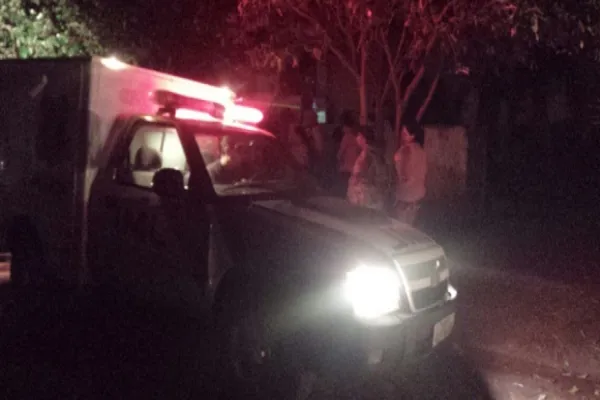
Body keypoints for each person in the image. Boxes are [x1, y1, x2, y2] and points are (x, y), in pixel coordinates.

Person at [393, 125, 427, 225]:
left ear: (412, 135)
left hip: (405, 196)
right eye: (402, 133)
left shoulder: (405, 150)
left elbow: (405, 176)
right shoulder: (421, 150)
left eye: (405, 133)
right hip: (417, 197)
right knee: (411, 228)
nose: (402, 136)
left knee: (400, 227)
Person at [347, 129, 387, 211]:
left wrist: (360, 181)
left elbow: (378, 175)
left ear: (364, 139)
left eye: (359, 136)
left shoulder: (372, 154)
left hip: (368, 194)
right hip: (362, 192)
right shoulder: (364, 152)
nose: (357, 139)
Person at [336, 120, 361, 197]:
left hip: (346, 167)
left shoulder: (347, 137)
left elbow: (341, 151)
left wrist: (338, 159)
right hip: (355, 167)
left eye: (344, 127)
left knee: (345, 187)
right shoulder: (358, 137)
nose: (343, 129)